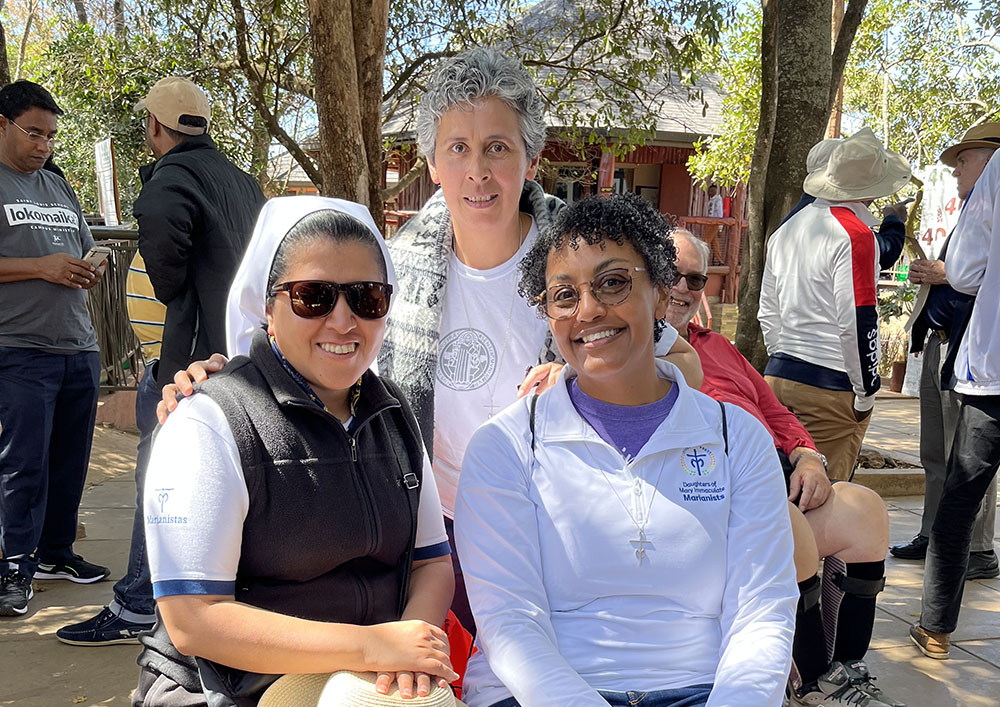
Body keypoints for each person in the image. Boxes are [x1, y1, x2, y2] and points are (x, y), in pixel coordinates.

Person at [165, 47, 703, 635]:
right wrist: (224, 386)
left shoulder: (578, 259)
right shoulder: (387, 274)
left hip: (557, 526)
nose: (478, 171)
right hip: (431, 533)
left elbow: (684, 364)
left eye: (498, 146)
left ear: (531, 157)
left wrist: (585, 377)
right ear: (432, 162)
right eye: (458, 148)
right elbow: (314, 359)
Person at [455, 193, 797, 707]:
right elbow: (510, 622)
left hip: (704, 691)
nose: (588, 310)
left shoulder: (736, 439)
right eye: (563, 295)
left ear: (661, 295)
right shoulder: (505, 448)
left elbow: (762, 611)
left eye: (613, 283)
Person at [133, 196, 458, 706]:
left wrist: (406, 651)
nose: (344, 321)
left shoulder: (394, 413)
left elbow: (430, 562)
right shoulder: (211, 420)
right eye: (314, 297)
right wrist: (373, 647)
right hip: (230, 687)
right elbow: (193, 619)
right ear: (268, 306)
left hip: (364, 681)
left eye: (367, 297)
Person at [58, 76, 266, 645]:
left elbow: (169, 279)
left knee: (163, 484)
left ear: (154, 125)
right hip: (246, 356)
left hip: (189, 364)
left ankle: (134, 606)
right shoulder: (242, 180)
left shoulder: (167, 183)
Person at [667, 230, 901, 707]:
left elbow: (774, 410)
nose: (684, 288)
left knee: (865, 510)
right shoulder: (633, 352)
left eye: (694, 278)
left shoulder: (719, 346)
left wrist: (807, 455)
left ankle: (847, 670)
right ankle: (815, 683)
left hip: (774, 475)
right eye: (671, 274)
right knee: (789, 530)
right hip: (712, 496)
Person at [0, 80, 109, 617]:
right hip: (17, 348)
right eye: (33, 133)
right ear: (1, 124)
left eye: (50, 136)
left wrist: (97, 261)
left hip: (78, 345)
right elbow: (39, 262)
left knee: (70, 461)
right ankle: (12, 568)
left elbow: (86, 244)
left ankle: (55, 552)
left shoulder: (57, 185)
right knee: (23, 465)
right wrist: (39, 267)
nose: (43, 145)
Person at [760, 127, 912, 481]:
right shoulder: (856, 237)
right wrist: (866, 392)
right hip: (831, 384)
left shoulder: (787, 229)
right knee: (826, 499)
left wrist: (785, 356)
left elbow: (768, 310)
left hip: (780, 373)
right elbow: (858, 321)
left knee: (779, 493)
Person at [891, 123, 1000, 581]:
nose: (957, 168)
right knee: (936, 452)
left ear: (992, 160)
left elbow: (975, 278)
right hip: (942, 345)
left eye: (965, 158)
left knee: (970, 455)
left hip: (974, 353)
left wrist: (944, 272)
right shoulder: (971, 214)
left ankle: (976, 547)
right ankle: (933, 533)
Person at [911, 149, 1000, 660]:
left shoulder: (996, 176)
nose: (958, 170)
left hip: (992, 370)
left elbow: (965, 273)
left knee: (961, 497)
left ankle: (936, 628)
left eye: (965, 160)